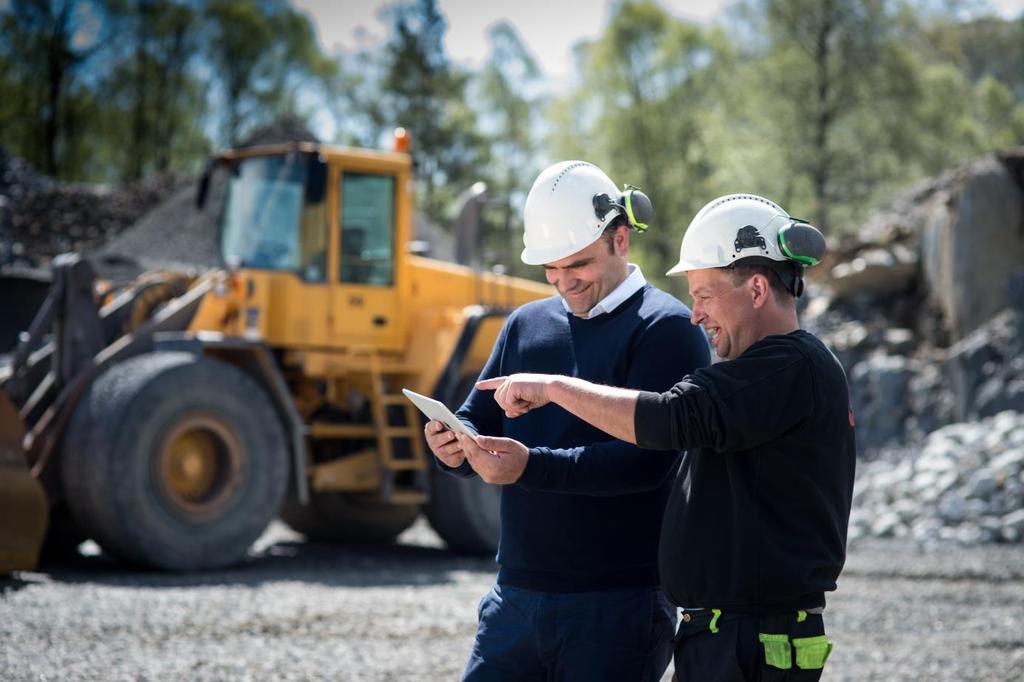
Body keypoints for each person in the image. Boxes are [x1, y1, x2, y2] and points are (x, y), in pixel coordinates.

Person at [469, 194, 856, 681]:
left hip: (752, 640)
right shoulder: (766, 374)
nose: (695, 314)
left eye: (705, 295)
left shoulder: (785, 369)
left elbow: (670, 416)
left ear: (757, 289)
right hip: (730, 636)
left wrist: (553, 388)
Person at [424, 161, 711, 682]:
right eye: (549, 270)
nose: (562, 283)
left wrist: (529, 468)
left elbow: (646, 464)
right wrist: (452, 447)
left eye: (576, 265)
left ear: (620, 240)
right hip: (514, 597)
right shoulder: (524, 324)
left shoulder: (668, 329)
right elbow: (476, 416)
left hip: (617, 604)